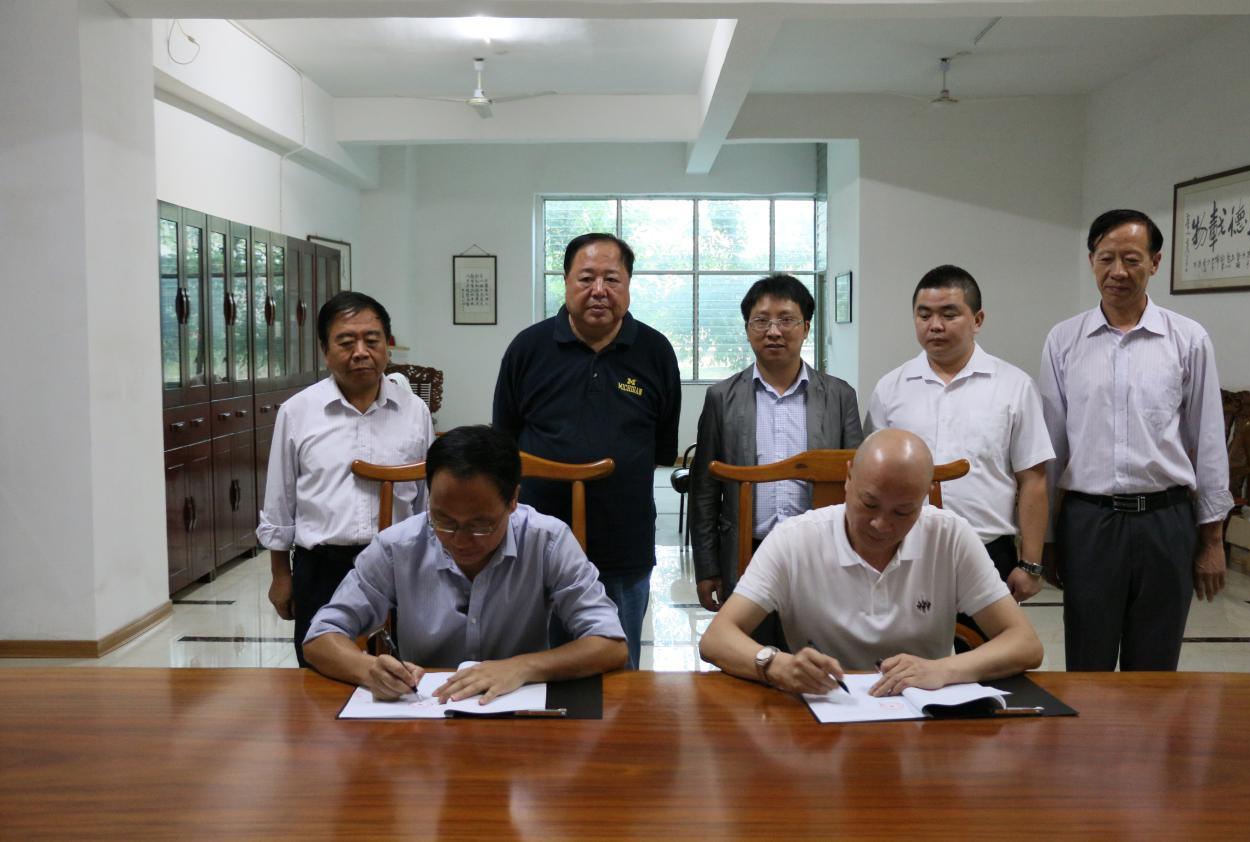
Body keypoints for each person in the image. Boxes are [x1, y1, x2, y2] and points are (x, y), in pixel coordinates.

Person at [699, 429, 1043, 696]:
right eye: (869, 503)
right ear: (848, 478)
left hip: (923, 714)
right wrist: (777, 665)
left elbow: (1025, 643)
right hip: (823, 711)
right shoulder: (794, 539)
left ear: (924, 497)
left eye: (903, 511)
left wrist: (941, 670)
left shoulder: (949, 536)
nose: (881, 524)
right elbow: (716, 638)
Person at [303, 425, 627, 702]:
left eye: (480, 525)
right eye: (443, 520)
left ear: (513, 500)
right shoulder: (397, 547)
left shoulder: (547, 541)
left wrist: (523, 666)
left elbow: (610, 644)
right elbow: (320, 637)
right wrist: (369, 669)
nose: (460, 539)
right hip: (424, 713)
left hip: (516, 713)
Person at [1039, 209, 1231, 671]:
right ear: (1091, 260)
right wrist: (1044, 539)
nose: (1118, 272)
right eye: (1106, 258)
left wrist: (1212, 540)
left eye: (1131, 259)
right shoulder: (1063, 341)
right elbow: (1050, 448)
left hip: (1166, 521)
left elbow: (1208, 441)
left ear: (1155, 262)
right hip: (1089, 522)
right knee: (1088, 663)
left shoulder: (1188, 339)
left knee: (1156, 668)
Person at [493, 233, 681, 669]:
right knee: (534, 668)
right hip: (535, 543)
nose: (599, 290)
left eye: (611, 279)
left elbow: (662, 447)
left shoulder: (655, 351)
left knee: (616, 665)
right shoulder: (528, 348)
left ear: (628, 284)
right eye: (586, 278)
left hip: (623, 543)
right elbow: (504, 444)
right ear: (565, 282)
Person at [257, 291, 434, 667]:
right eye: (346, 341)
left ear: (387, 345)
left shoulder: (414, 411)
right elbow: (280, 500)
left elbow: (426, 501)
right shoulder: (298, 412)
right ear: (325, 350)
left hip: (398, 568)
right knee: (321, 677)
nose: (360, 352)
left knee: (401, 674)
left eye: (372, 340)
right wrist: (280, 575)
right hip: (323, 568)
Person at [866, 265, 1054, 611]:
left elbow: (1034, 479)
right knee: (908, 646)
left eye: (949, 314)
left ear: (977, 320)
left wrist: (1031, 564)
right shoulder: (891, 389)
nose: (935, 325)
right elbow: (872, 479)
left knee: (987, 646)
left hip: (987, 551)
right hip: (904, 551)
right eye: (924, 315)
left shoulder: (1014, 386)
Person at [691, 273, 863, 613]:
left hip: (820, 552)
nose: (773, 331)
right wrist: (708, 567)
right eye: (761, 321)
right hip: (747, 550)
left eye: (786, 320)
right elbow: (705, 491)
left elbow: (858, 483)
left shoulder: (840, 396)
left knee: (816, 642)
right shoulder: (721, 398)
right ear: (747, 329)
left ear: (806, 327)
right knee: (750, 643)